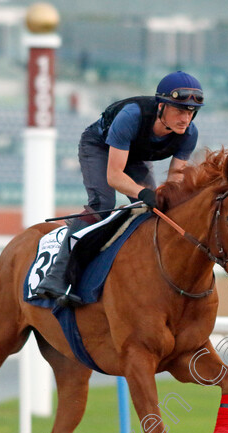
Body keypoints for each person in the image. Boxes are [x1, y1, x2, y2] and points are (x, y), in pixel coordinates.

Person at [34, 71, 204, 307]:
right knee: (103, 204)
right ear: (161, 106)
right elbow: (114, 176)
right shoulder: (132, 116)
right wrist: (144, 193)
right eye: (179, 109)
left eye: (190, 112)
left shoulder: (189, 134)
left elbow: (175, 180)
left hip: (135, 155)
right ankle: (56, 277)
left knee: (155, 211)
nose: (186, 118)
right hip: (100, 147)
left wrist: (167, 198)